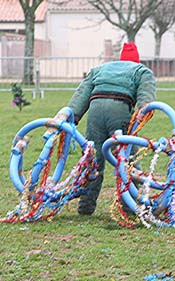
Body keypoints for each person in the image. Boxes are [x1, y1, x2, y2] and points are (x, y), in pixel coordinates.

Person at [67, 42, 156, 215]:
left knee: (92, 159)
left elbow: (81, 94)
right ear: (136, 61)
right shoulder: (141, 70)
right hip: (120, 109)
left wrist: (71, 117)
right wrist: (142, 111)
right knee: (126, 159)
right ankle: (129, 206)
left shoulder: (100, 69)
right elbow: (146, 97)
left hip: (95, 110)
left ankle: (86, 205)